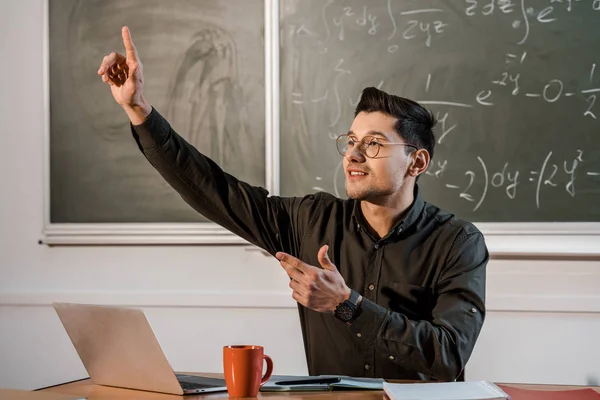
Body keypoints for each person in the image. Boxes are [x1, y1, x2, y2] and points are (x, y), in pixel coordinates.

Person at [97, 26, 488, 381]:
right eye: (351, 141)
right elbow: (212, 189)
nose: (353, 155)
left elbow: (448, 354)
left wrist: (348, 303)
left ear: (417, 162)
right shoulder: (311, 221)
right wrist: (139, 110)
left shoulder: (457, 242)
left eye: (373, 144)